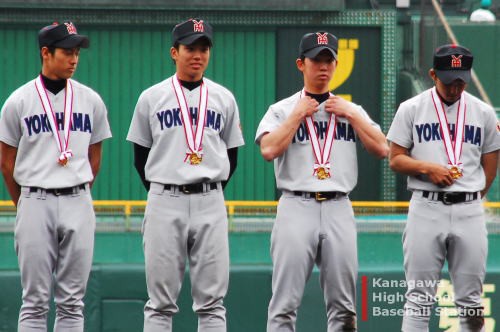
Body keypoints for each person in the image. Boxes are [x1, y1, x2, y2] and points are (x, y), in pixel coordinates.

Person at [255, 31, 388, 331]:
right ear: (301, 64)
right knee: (284, 304)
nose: (323, 67)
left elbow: (382, 149)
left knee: (344, 307)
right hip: (295, 204)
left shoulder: (348, 110)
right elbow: (268, 150)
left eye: (329, 60)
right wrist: (295, 118)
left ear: (336, 63)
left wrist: (353, 115)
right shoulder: (282, 109)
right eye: (317, 60)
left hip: (338, 206)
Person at [126, 18, 245, 332]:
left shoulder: (224, 98)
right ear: (173, 52)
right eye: (190, 47)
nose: (198, 54)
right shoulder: (152, 97)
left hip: (210, 198)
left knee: (212, 304)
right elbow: (140, 157)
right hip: (165, 198)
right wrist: (164, 187)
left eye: (204, 48)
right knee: (160, 303)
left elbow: (232, 157)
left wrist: (209, 186)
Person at [0, 21, 112, 331]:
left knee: (72, 303)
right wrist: (23, 202)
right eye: (67, 52)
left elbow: (95, 156)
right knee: (34, 301)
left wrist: (78, 189)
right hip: (34, 198)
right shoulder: (19, 101)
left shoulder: (91, 100)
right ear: (46, 53)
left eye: (77, 52)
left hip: (77, 197)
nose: (74, 59)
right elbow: (6, 162)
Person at [387, 44, 500, 332]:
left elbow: (490, 163)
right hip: (426, 207)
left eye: (461, 79)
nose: (455, 86)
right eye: (449, 79)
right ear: (433, 74)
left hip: (469, 210)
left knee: (471, 301)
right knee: (419, 299)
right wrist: (427, 168)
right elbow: (396, 159)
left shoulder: (483, 113)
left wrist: (470, 195)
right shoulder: (411, 108)